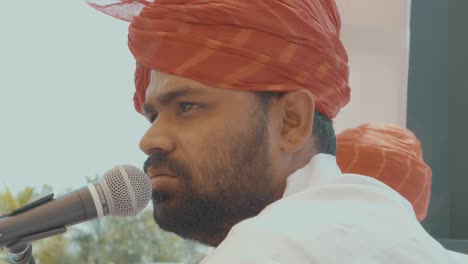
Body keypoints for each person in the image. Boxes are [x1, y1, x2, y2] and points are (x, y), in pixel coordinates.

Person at [87, 0, 467, 263]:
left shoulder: (273, 248)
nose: (150, 139)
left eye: (188, 107)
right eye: (153, 115)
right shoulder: (384, 227)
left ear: (291, 122)